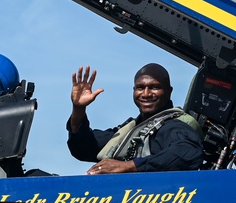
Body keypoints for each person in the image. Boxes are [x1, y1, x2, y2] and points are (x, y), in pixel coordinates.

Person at [67, 64, 204, 174]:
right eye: (140, 88)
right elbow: (83, 148)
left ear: (169, 91)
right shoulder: (131, 129)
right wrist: (78, 108)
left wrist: (128, 166)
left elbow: (187, 152)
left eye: (154, 87)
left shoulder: (174, 126)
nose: (146, 94)